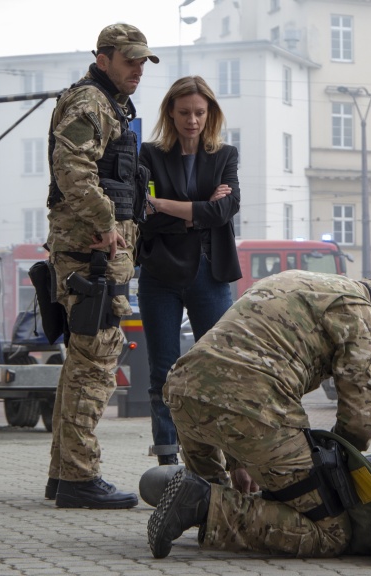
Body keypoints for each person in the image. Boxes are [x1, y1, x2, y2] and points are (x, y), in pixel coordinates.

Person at [146, 270, 371, 559]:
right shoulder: (363, 312)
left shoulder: (291, 280)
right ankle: (202, 505)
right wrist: (335, 464)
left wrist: (237, 460)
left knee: (217, 489)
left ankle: (201, 500)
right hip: (250, 407)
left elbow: (237, 355)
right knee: (332, 533)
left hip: (184, 392)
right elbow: (364, 415)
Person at [43, 23, 158, 509]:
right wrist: (109, 222)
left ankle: (63, 473)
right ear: (104, 57)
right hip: (91, 251)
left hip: (95, 250)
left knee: (83, 362)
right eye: (129, 60)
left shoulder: (112, 105)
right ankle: (79, 477)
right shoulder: (92, 102)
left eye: (142, 62)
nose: (137, 69)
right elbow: (72, 169)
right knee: (96, 363)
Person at [137, 76, 241, 468]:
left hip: (209, 274)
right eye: (184, 113)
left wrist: (163, 204)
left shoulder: (225, 155)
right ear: (170, 113)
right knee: (162, 369)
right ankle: (167, 459)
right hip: (159, 275)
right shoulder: (149, 154)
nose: (192, 120)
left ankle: (228, 457)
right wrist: (196, 212)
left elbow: (224, 211)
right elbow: (142, 216)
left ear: (210, 113)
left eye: (200, 113)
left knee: (218, 368)